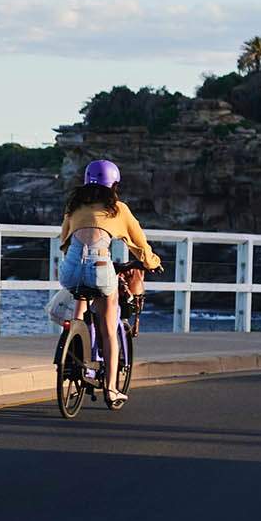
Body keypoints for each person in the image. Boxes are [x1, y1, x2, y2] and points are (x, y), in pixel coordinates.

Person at [57, 159, 162, 405]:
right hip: (100, 268)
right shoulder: (118, 208)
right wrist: (152, 262)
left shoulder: (74, 207)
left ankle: (77, 344)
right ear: (114, 183)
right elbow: (139, 244)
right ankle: (112, 389)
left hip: (70, 269)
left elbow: (64, 240)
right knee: (108, 329)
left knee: (80, 303)